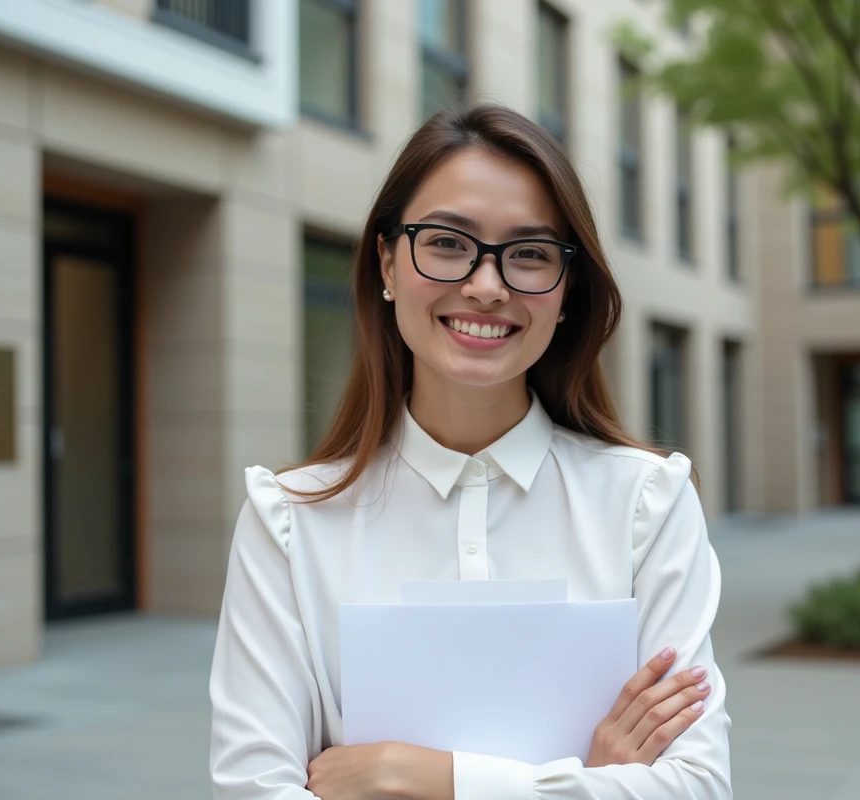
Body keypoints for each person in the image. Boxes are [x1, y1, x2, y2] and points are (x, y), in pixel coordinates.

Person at [208, 104, 732, 800]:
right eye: (448, 243)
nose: (488, 285)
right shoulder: (287, 522)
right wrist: (592, 781)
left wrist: (423, 776)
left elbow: (697, 787)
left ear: (566, 290)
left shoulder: (648, 505)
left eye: (530, 254)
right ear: (388, 262)